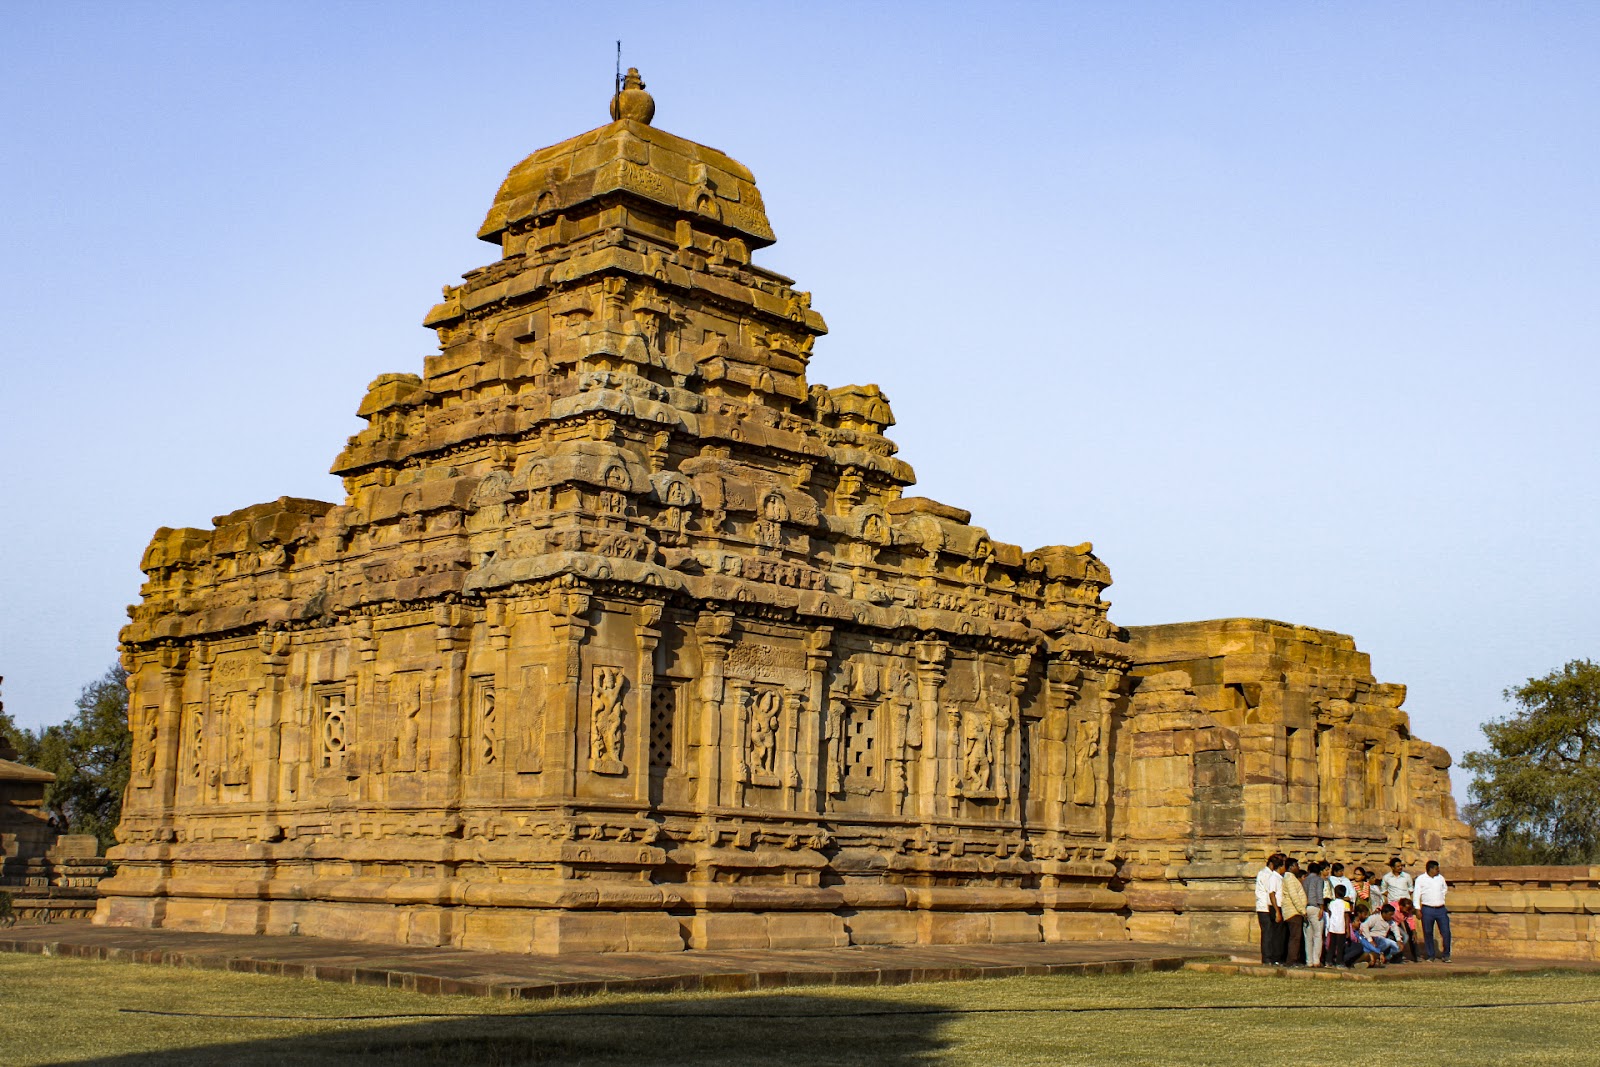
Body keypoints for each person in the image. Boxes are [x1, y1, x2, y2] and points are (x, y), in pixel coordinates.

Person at [1415, 859, 1452, 962]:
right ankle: (1431, 955)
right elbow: (1416, 894)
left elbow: (1444, 889)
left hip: (1440, 909)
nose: (1438, 870)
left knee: (1446, 932)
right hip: (1427, 909)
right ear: (1430, 869)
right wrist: (1417, 908)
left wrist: (1440, 898)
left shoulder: (1440, 878)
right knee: (1428, 932)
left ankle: (1446, 954)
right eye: (1436, 869)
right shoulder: (1421, 879)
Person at [1254, 853, 1287, 965]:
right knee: (1267, 933)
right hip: (1265, 907)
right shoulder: (1265, 874)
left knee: (1273, 933)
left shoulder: (1273, 875)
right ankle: (1267, 958)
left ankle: (1272, 957)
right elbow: (1270, 892)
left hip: (1270, 906)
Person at [1280, 858, 1308, 966]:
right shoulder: (1290, 879)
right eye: (1297, 865)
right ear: (1291, 867)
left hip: (1295, 911)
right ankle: (1291, 960)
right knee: (1295, 938)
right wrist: (1302, 910)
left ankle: (1293, 959)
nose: (1298, 868)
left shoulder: (1291, 878)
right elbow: (1294, 896)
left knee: (1295, 937)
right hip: (1293, 911)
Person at [1302, 861, 1326, 967]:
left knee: (1308, 936)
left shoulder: (1305, 880)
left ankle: (1309, 961)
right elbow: (1319, 894)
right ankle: (1316, 960)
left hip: (1306, 907)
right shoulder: (1319, 880)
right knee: (1317, 935)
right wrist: (1322, 907)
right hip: (1315, 907)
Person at [1325, 883, 1353, 967]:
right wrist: (1347, 929)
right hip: (1341, 927)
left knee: (1332, 945)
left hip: (1332, 926)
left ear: (1335, 893)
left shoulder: (1331, 903)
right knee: (1340, 946)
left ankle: (1329, 961)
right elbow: (1346, 917)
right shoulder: (1346, 904)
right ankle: (1339, 962)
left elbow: (1329, 913)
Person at [1393, 897, 1422, 962]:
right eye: (1406, 909)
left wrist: (1414, 932)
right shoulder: (1393, 906)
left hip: (1396, 926)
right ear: (1401, 906)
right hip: (1388, 924)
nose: (1407, 911)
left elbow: (1410, 921)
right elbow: (1383, 908)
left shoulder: (1407, 912)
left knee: (1406, 937)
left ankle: (1398, 953)